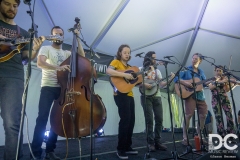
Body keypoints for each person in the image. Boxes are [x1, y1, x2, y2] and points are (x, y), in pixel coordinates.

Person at [30, 26, 85, 160]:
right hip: (48, 87)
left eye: (60, 34)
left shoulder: (66, 53)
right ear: (51, 36)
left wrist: (77, 38)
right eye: (55, 34)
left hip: (62, 89)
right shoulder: (46, 49)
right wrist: (58, 67)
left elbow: (82, 57)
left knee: (57, 120)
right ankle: (35, 153)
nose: (58, 36)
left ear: (63, 36)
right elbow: (40, 63)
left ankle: (50, 151)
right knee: (42, 118)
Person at [0, 0, 42, 159]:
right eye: (7, 3)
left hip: (13, 77)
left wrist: (35, 50)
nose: (12, 8)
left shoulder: (23, 33)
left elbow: (26, 59)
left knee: (12, 125)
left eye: (15, 5)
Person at [106, 44, 138, 159]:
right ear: (120, 53)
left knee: (131, 120)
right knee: (125, 119)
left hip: (130, 95)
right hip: (119, 94)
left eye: (129, 52)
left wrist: (143, 78)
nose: (127, 54)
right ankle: (120, 148)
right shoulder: (116, 62)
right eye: (125, 52)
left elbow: (135, 82)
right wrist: (124, 74)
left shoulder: (130, 67)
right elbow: (108, 71)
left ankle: (127, 146)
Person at [139, 51, 174, 152]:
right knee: (149, 120)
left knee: (159, 119)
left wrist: (171, 79)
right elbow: (136, 82)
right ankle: (150, 143)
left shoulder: (157, 71)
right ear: (148, 58)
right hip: (145, 97)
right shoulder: (141, 69)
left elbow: (162, 84)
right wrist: (144, 85)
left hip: (157, 96)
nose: (155, 60)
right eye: (154, 58)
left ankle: (157, 141)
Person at [174, 53, 208, 146]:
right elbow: (175, 77)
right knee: (188, 115)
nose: (193, 60)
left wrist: (212, 81)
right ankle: (185, 138)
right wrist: (185, 82)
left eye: (196, 59)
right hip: (190, 95)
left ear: (200, 61)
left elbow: (204, 84)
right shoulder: (186, 69)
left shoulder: (201, 72)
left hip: (201, 96)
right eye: (193, 58)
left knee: (203, 115)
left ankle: (199, 136)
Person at [208, 65, 238, 137]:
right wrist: (220, 81)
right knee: (218, 117)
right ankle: (221, 135)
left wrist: (234, 85)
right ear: (215, 71)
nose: (218, 72)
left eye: (220, 71)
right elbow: (211, 87)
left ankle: (231, 134)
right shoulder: (213, 80)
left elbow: (227, 90)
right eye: (217, 70)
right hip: (215, 99)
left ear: (222, 72)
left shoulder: (225, 79)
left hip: (224, 98)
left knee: (229, 115)